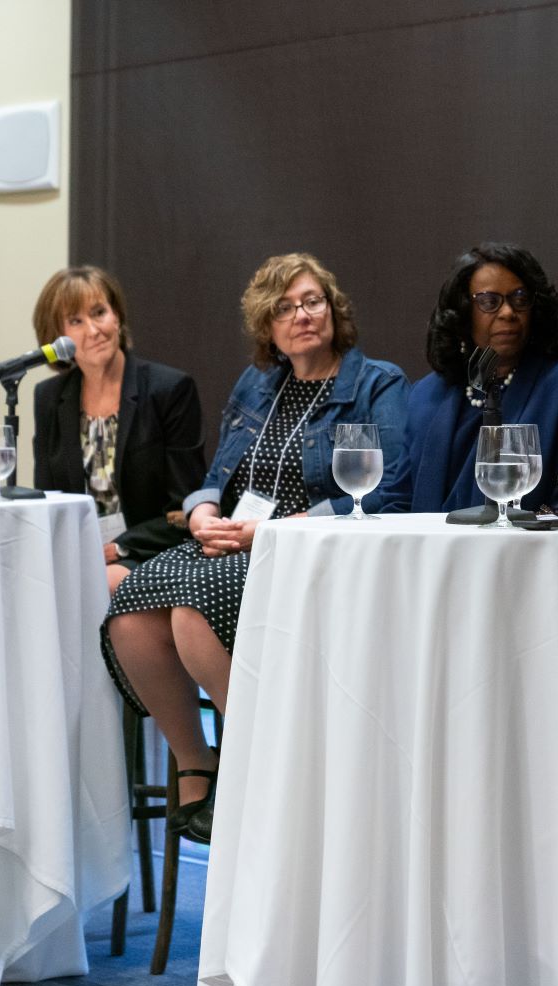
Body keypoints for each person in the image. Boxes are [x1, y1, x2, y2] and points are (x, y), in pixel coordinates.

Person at [104, 253, 409, 844]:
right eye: (285, 308)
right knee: (132, 609)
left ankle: (254, 766)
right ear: (266, 326)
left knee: (194, 607)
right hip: (239, 543)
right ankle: (197, 766)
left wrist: (278, 529)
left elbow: (388, 493)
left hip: (312, 551)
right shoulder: (258, 384)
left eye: (312, 301)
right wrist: (203, 513)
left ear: (333, 308)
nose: (301, 315)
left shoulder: (377, 382)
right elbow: (216, 474)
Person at [31, 266, 207, 593]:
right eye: (76, 321)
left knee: (97, 585)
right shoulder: (49, 398)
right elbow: (47, 499)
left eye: (100, 313)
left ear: (118, 317)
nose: (94, 329)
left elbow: (184, 506)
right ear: (56, 338)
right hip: (78, 552)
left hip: (148, 550)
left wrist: (119, 548)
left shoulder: (168, 390)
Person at [401, 242, 558, 512]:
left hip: (530, 551)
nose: (508, 312)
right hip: (429, 552)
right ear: (464, 312)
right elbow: (397, 501)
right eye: (490, 302)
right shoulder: (425, 395)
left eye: (520, 299)